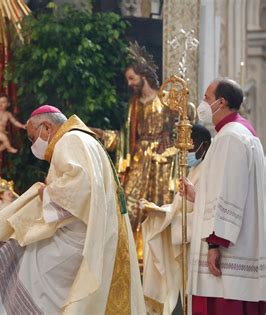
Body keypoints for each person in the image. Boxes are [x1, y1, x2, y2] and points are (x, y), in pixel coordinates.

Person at [0, 105, 145, 314]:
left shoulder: (70, 140)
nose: (33, 145)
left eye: (32, 137)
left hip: (79, 236)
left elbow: (81, 187)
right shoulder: (86, 140)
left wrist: (47, 193)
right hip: (93, 231)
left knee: (16, 262)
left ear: (46, 127)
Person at [182, 78, 265, 314]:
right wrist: (198, 196)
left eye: (207, 98)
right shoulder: (242, 133)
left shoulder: (230, 137)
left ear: (222, 102)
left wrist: (214, 243)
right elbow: (233, 193)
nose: (203, 103)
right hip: (239, 249)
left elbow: (230, 193)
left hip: (227, 262)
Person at [92, 42, 177, 260]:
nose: (130, 83)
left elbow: (185, 125)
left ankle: (155, 256)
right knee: (128, 205)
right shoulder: (135, 104)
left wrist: (171, 139)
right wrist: (103, 135)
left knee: (157, 207)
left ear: (143, 75)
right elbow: (127, 138)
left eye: (132, 78)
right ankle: (128, 255)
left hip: (162, 163)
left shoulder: (166, 99)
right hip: (140, 159)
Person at [141, 124, 211, 314]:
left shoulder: (209, 171)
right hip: (187, 246)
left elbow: (207, 211)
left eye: (190, 147)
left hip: (200, 247)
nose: (186, 152)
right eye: (183, 148)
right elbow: (180, 207)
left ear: (203, 146)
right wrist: (159, 211)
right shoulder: (193, 171)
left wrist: (169, 219)